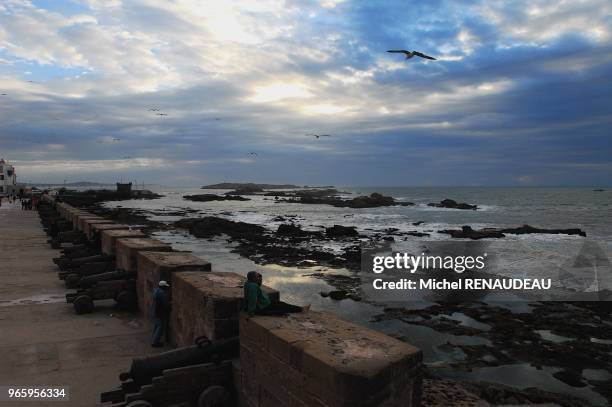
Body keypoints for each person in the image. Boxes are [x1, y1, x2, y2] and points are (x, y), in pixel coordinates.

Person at [151, 280, 171, 347]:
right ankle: (155, 342)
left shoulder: (156, 290)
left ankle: (153, 339)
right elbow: (165, 304)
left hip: (154, 310)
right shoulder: (161, 293)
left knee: (156, 326)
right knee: (160, 327)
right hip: (158, 312)